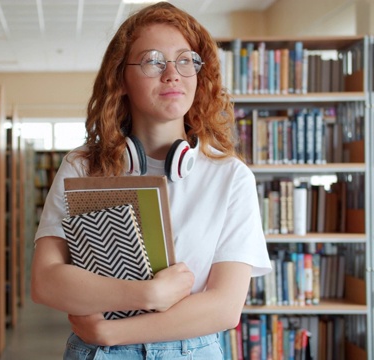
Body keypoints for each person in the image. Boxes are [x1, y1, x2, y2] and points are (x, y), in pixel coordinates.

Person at [30, 2, 272, 359]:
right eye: (153, 60)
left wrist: (111, 331)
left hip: (184, 350)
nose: (172, 74)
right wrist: (147, 294)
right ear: (121, 79)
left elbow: (224, 307)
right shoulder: (83, 167)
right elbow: (46, 282)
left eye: (186, 60)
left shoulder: (230, 176)